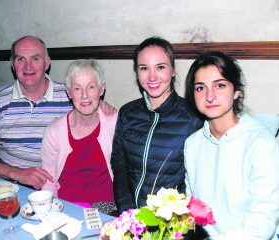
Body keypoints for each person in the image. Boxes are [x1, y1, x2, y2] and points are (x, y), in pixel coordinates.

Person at [0, 35, 115, 190]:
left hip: (58, 183)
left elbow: (88, 103)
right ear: (12, 64)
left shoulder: (69, 95)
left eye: (35, 58)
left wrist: (101, 105)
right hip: (11, 185)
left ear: (47, 62)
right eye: (20, 59)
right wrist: (16, 173)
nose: (28, 66)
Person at [184, 51, 279, 239]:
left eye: (219, 85)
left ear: (236, 91)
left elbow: (262, 225)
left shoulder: (261, 144)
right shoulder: (192, 144)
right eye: (200, 88)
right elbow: (191, 209)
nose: (210, 96)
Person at [111, 37, 203, 214]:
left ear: (173, 71)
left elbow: (199, 180)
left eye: (160, 67)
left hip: (171, 222)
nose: (152, 77)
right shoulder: (127, 113)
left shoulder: (193, 117)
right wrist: (127, 210)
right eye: (144, 68)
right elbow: (119, 164)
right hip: (131, 216)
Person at [41, 59, 117, 214]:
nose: (84, 96)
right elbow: (49, 180)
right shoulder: (54, 130)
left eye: (91, 87)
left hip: (106, 207)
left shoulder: (114, 123)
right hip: (65, 206)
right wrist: (51, 212)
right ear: (68, 92)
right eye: (77, 88)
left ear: (101, 89)